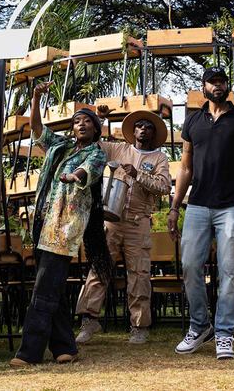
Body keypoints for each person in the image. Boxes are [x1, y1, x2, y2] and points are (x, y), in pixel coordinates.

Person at [9, 82, 109, 367]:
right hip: (42, 221)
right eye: (77, 121)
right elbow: (37, 130)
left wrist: (73, 176)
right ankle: (65, 346)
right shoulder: (60, 145)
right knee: (50, 285)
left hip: (65, 227)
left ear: (95, 129)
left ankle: (29, 351)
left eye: (87, 122)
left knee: (44, 286)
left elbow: (87, 171)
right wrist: (36, 97)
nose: (81, 125)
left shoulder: (97, 152)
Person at [169, 66, 234, 360]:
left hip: (233, 206)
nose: (218, 86)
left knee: (229, 271)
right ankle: (200, 326)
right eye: (212, 82)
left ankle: (224, 334)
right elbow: (186, 166)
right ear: (204, 87)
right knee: (189, 265)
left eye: (222, 81)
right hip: (197, 205)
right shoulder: (193, 121)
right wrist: (175, 207)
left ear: (227, 85)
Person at [74, 108, 172, 345]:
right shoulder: (118, 148)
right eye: (139, 125)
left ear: (153, 133)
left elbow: (164, 187)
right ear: (133, 130)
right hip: (110, 218)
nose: (142, 129)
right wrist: (101, 119)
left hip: (138, 222)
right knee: (99, 267)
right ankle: (89, 320)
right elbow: (93, 145)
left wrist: (138, 175)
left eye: (148, 127)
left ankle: (139, 326)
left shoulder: (159, 159)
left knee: (138, 273)